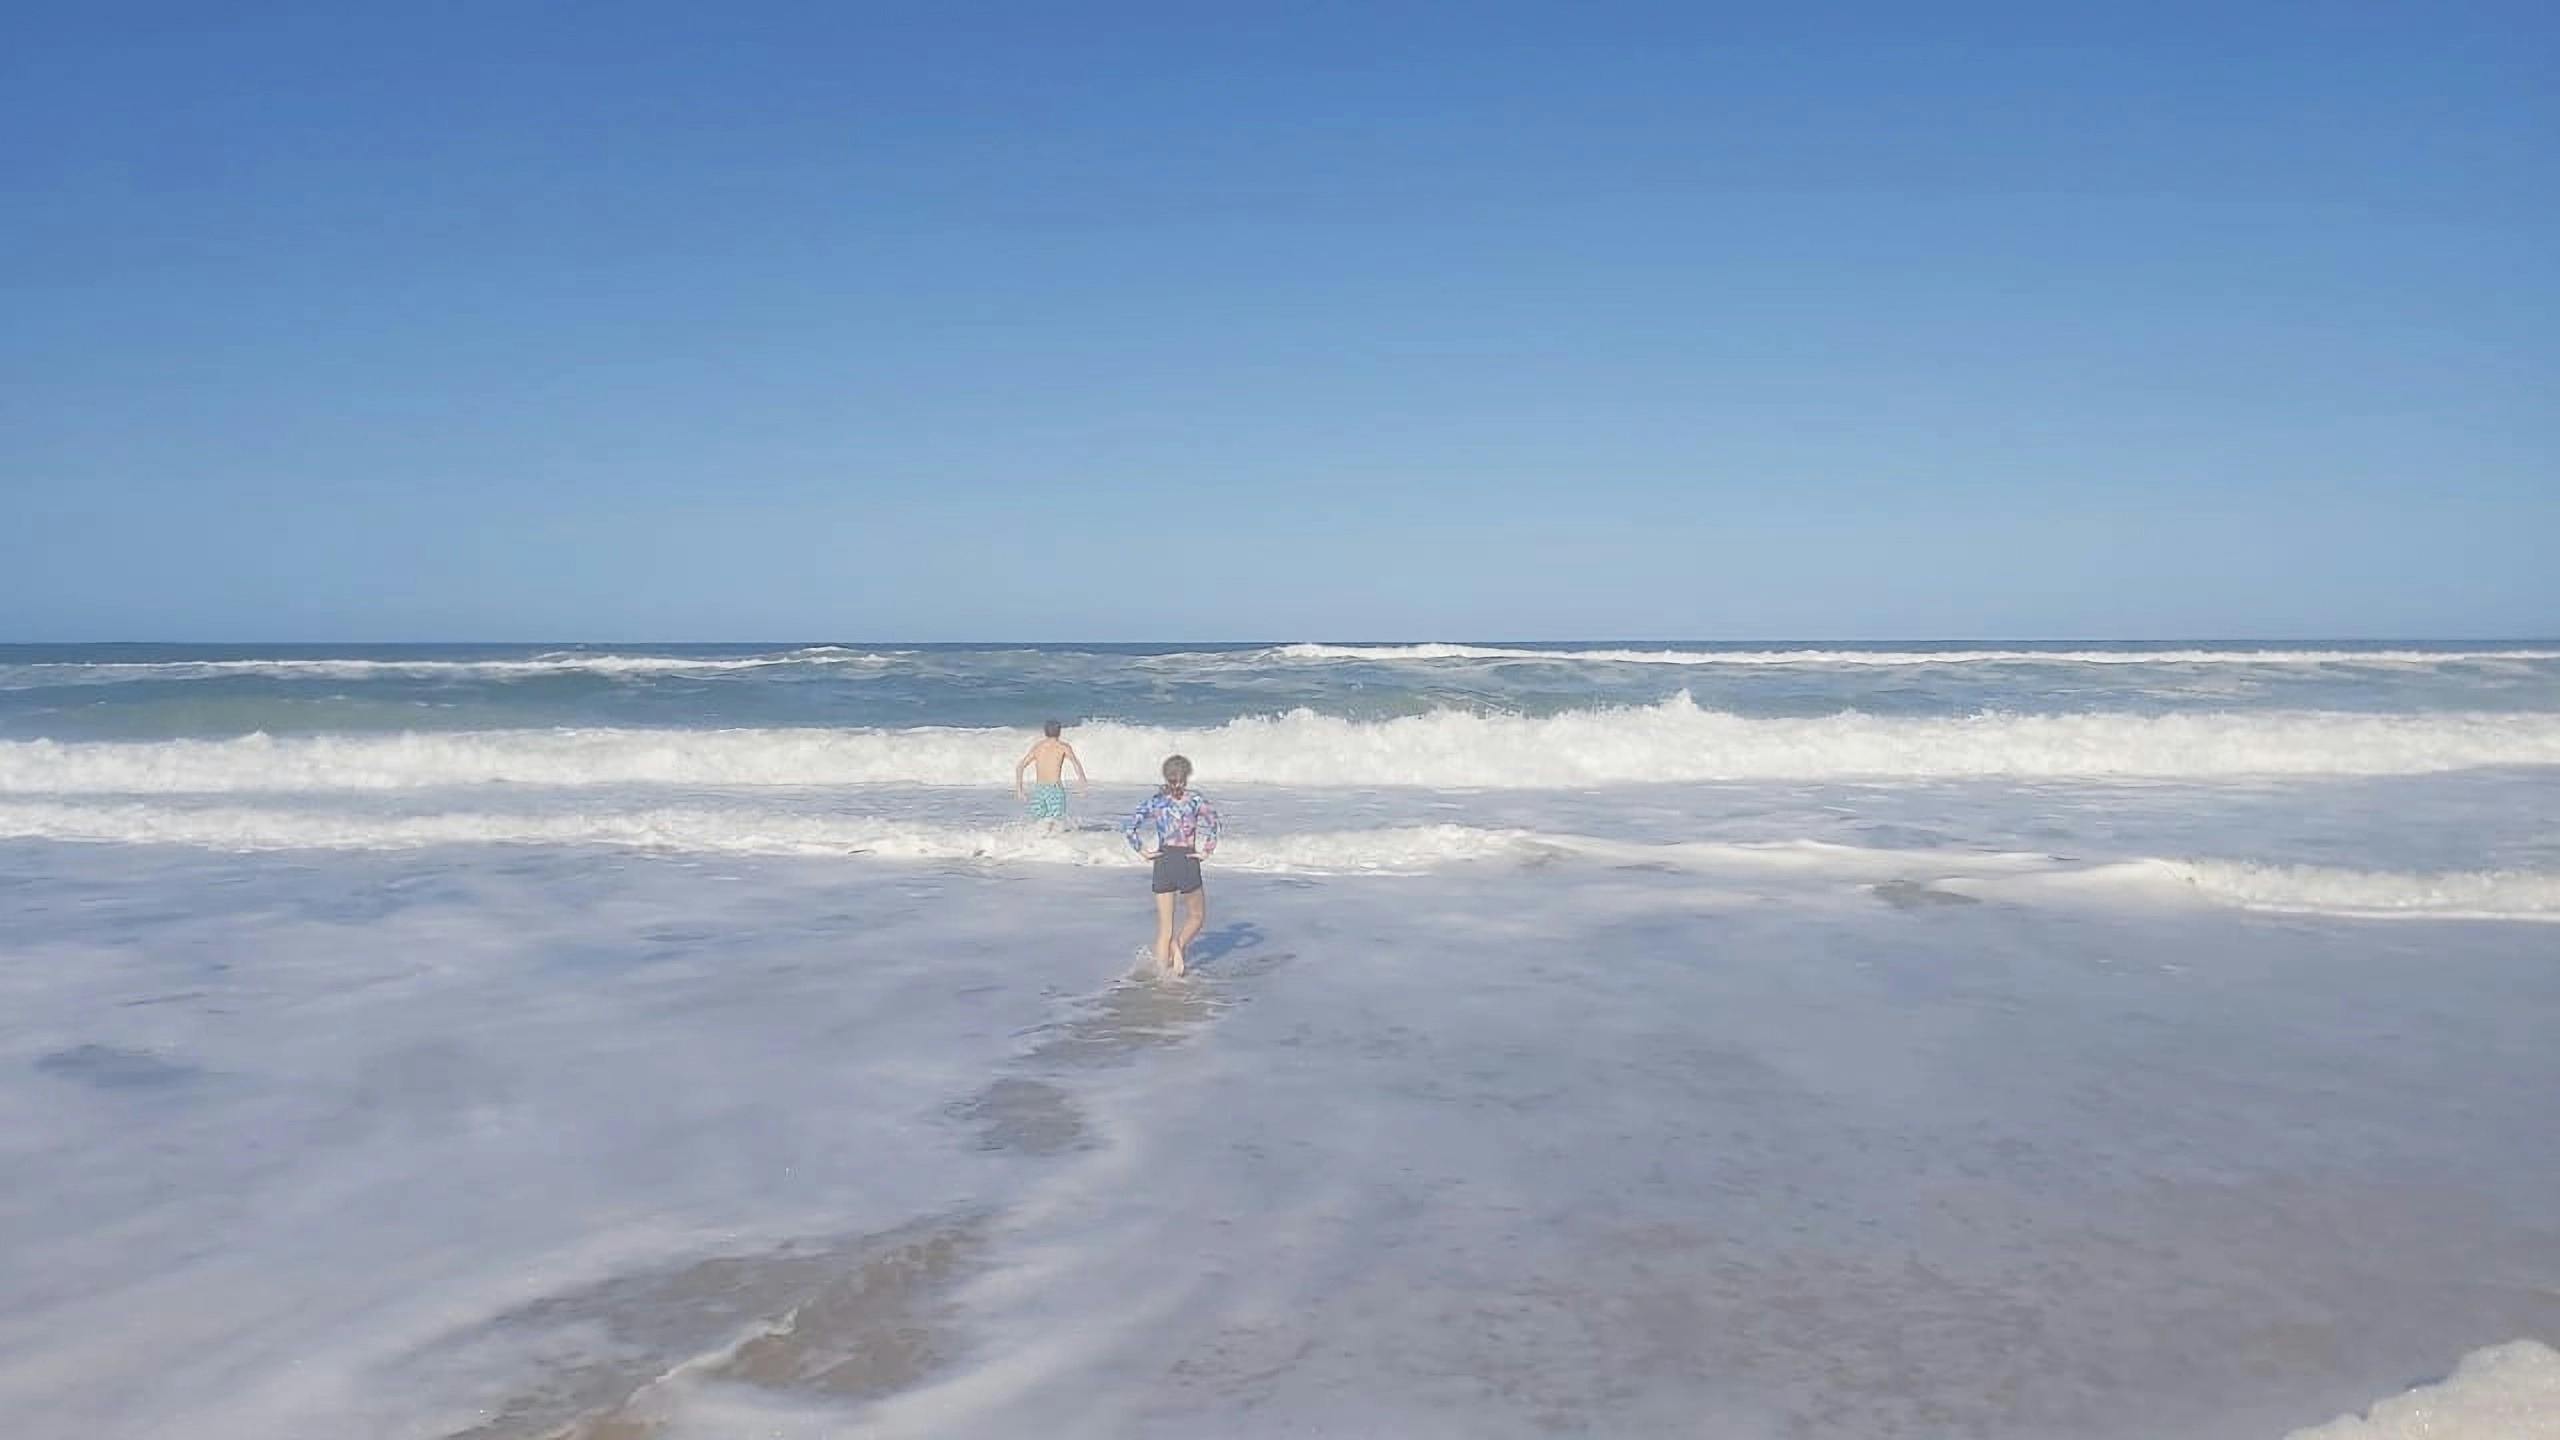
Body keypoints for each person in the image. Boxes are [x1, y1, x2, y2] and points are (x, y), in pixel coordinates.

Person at [1124, 754, 1218, 976]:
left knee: (1164, 928)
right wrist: (1206, 851)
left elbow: (1130, 827)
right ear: (1186, 777)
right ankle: (1180, 944)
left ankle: (1162, 976)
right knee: (1196, 916)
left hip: (1163, 860)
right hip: (1187, 860)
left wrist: (1143, 851)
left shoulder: (1156, 802)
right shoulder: (1195, 800)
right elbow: (1214, 823)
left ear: (1166, 777)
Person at [1013, 720, 1087, 831]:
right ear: (1059, 732)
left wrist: (1019, 789)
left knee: (1038, 823)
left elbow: (1020, 767)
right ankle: (1050, 846)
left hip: (1039, 790)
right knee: (1054, 823)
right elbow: (1076, 764)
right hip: (1054, 789)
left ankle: (1036, 846)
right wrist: (1082, 782)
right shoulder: (1063, 747)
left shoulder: (1038, 747)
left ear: (1045, 732)